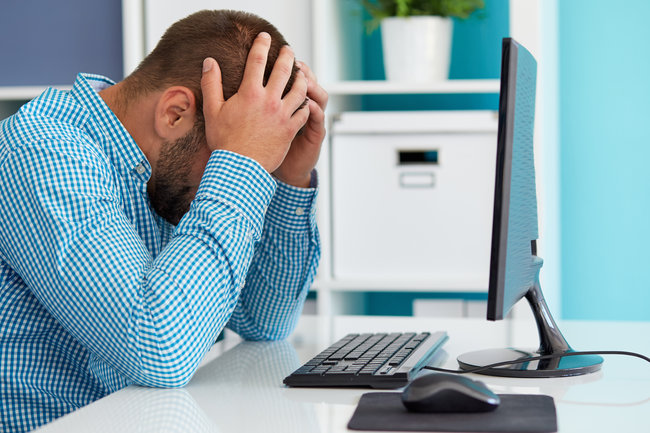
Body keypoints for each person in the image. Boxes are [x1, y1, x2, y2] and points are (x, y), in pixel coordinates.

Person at [0, 9, 327, 433]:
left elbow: (264, 321)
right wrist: (241, 162)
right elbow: (157, 348)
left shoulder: (160, 171)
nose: (232, 177)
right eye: (224, 154)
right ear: (174, 113)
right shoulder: (42, 151)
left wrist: (289, 178)